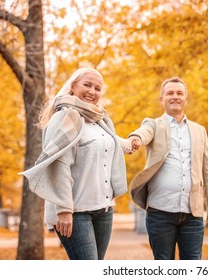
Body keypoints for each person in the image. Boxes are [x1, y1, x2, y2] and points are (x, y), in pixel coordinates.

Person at [20, 68, 130, 260]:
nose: (92, 91)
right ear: (72, 87)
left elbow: (112, 142)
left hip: (104, 210)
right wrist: (63, 210)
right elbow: (59, 165)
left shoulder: (99, 120)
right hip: (75, 213)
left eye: (97, 88)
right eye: (87, 85)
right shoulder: (64, 118)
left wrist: (132, 142)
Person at [128, 77, 208, 260]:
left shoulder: (199, 130)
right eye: (170, 93)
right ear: (162, 99)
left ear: (186, 98)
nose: (175, 96)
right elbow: (144, 132)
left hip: (192, 213)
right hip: (160, 211)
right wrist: (135, 139)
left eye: (179, 93)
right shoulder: (154, 124)